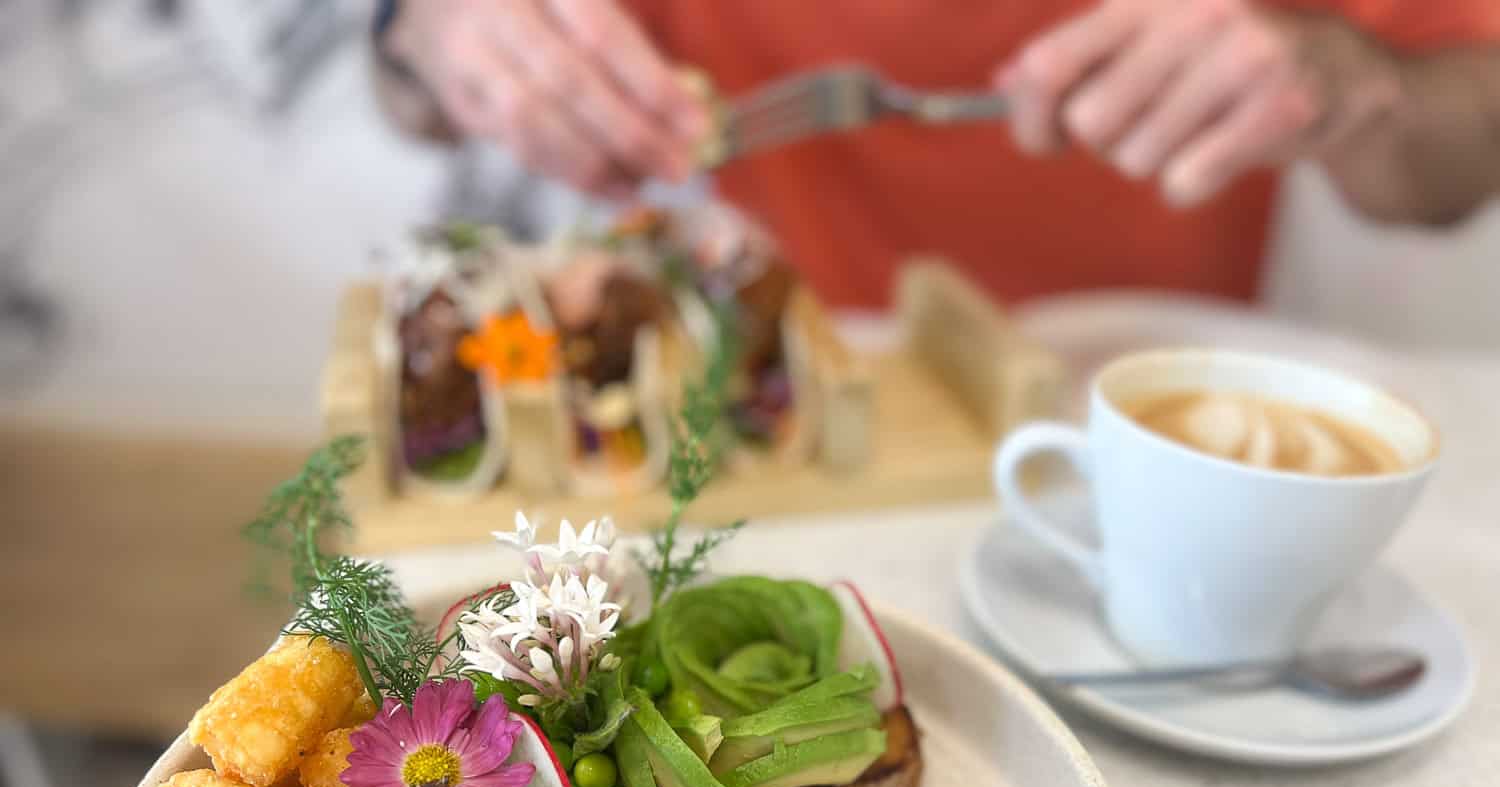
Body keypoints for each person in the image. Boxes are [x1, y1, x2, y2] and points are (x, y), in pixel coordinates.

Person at [373, 0, 1500, 307]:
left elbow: (1454, 171)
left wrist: (1361, 79)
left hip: (1127, 408)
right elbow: (410, 100)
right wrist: (426, 28)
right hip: (773, 393)